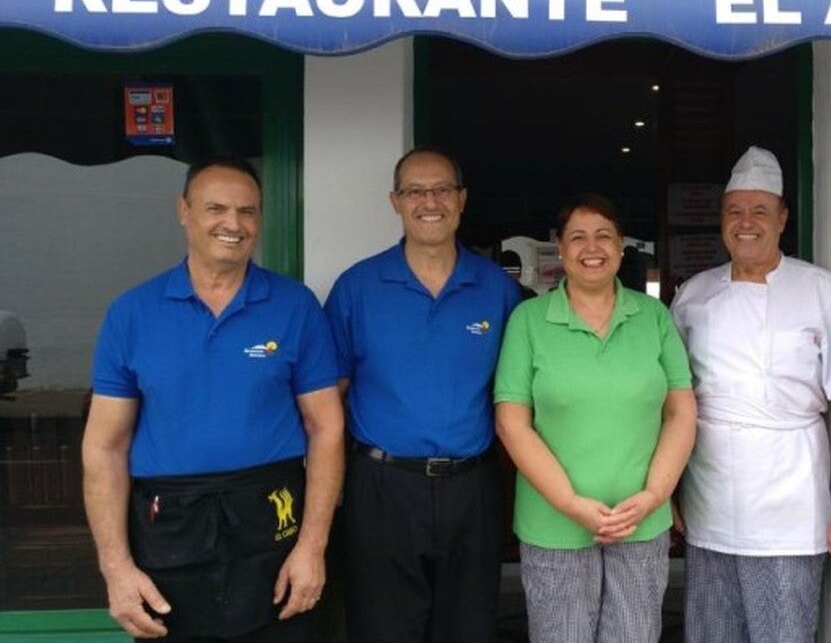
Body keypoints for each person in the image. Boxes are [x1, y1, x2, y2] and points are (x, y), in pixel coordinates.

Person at [83, 156, 345, 641]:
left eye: (248, 211)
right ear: (184, 211)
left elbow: (325, 428)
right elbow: (104, 447)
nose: (234, 224)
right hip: (170, 532)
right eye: (216, 208)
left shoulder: (295, 307)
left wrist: (312, 548)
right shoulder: (132, 314)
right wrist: (116, 569)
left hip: (272, 523)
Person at [323, 146, 522, 642]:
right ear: (396, 201)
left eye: (441, 190)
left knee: (469, 628)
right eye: (415, 191)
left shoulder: (496, 289)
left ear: (462, 199)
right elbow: (329, 402)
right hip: (381, 486)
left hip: (472, 488)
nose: (429, 201)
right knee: (382, 629)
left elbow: (519, 396)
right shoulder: (357, 288)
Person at [670, 146, 831, 643]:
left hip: (791, 505)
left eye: (759, 210)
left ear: (782, 218)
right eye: (734, 211)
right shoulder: (693, 295)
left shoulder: (822, 291)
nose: (746, 223)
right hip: (707, 501)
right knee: (711, 633)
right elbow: (670, 403)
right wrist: (667, 492)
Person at [494, 193, 697, 643]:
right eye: (578, 237)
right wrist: (570, 503)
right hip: (554, 524)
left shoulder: (653, 317)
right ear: (560, 249)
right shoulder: (528, 321)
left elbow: (681, 411)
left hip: (640, 520)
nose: (592, 247)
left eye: (604, 236)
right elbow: (511, 422)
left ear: (622, 246)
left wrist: (655, 495)